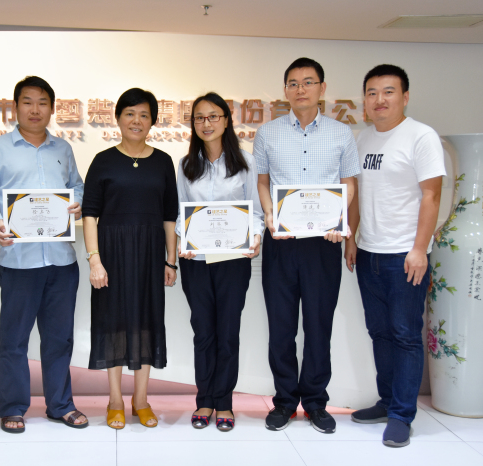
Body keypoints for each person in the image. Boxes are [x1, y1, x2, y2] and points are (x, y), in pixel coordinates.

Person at [0, 76, 88, 433]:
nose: (35, 109)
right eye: (28, 102)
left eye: (42, 103)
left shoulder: (62, 148)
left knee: (59, 339)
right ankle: (13, 407)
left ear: (52, 108)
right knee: (14, 340)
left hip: (62, 261)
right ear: (15, 106)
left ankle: (60, 404)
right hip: (19, 261)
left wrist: (77, 203)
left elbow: (77, 186)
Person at [254, 57, 360, 434]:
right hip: (281, 242)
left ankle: (315, 401)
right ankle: (284, 401)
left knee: (318, 325)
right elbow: (262, 182)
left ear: (322, 88)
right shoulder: (267, 133)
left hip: (323, 244)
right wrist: (270, 215)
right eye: (294, 83)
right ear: (285, 90)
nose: (301, 89)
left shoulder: (341, 134)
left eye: (308, 82)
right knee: (281, 327)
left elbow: (349, 184)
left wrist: (339, 221)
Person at [345, 64, 445, 447]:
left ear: (405, 96)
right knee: (380, 333)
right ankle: (387, 402)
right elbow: (357, 194)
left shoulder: (421, 136)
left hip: (405, 256)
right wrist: (352, 237)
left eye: (388, 91)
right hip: (369, 252)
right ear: (365, 100)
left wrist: (419, 249)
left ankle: (402, 415)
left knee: (405, 335)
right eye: (372, 93)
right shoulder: (363, 139)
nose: (379, 99)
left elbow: (431, 196)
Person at [83, 88, 178, 429]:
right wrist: (95, 260)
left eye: (144, 115)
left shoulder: (163, 161)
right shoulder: (103, 161)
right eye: (130, 114)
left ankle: (141, 400)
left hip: (150, 254)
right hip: (111, 254)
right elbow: (89, 214)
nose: (136, 121)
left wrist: (170, 260)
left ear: (152, 121)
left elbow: (170, 216)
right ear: (118, 118)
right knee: (112, 323)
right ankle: (114, 400)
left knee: (146, 321)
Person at [176, 93, 264, 432]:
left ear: (226, 121)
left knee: (228, 331)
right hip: (196, 260)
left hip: (232, 259)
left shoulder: (246, 162)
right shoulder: (186, 165)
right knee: (203, 331)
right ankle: (205, 400)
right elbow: (180, 212)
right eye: (199, 117)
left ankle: (224, 402)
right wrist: (183, 239)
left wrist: (255, 236)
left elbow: (255, 211)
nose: (206, 123)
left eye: (213, 116)